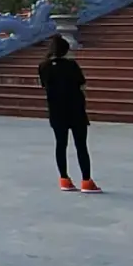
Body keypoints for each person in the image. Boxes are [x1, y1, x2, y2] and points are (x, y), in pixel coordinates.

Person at [36, 35, 97, 193]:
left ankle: (64, 179)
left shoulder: (43, 66)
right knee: (81, 145)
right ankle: (86, 181)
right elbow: (82, 85)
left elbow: (44, 85)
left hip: (56, 110)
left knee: (61, 144)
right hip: (75, 109)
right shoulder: (71, 65)